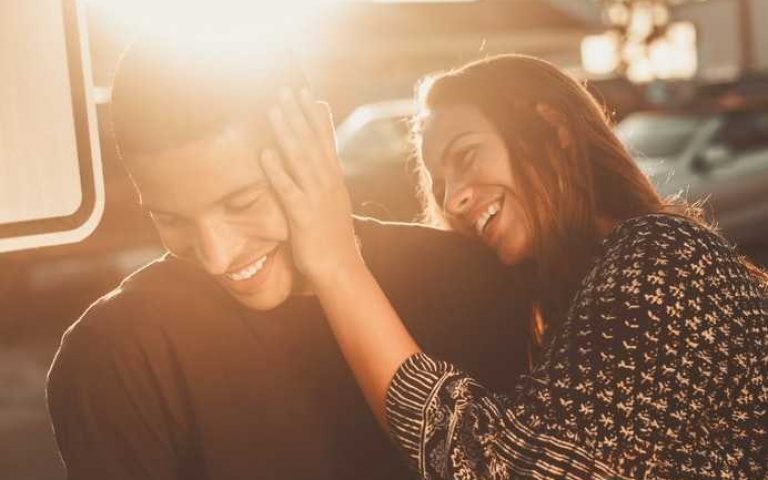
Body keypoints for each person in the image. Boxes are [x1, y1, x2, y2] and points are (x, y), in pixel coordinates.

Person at [45, 31, 535, 480]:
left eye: (243, 203)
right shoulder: (115, 356)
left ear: (316, 141)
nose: (216, 256)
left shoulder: (466, 283)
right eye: (170, 219)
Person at [261, 54, 768, 479]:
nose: (453, 199)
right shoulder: (566, 303)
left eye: (466, 155)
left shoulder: (665, 257)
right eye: (439, 186)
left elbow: (503, 465)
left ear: (553, 128)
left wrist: (338, 264)